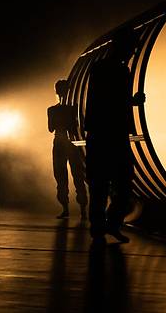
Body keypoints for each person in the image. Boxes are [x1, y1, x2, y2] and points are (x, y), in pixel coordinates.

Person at [84, 28, 145, 245]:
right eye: (131, 49)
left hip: (99, 134)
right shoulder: (119, 71)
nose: (132, 53)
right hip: (113, 135)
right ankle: (110, 224)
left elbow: (101, 102)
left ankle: (100, 229)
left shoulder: (98, 68)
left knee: (100, 185)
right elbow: (113, 103)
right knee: (120, 182)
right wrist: (133, 102)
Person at [48, 79, 88, 219]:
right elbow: (81, 125)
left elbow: (50, 128)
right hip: (72, 143)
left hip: (59, 143)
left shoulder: (52, 110)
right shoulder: (73, 109)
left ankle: (66, 209)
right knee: (78, 176)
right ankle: (83, 209)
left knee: (61, 177)